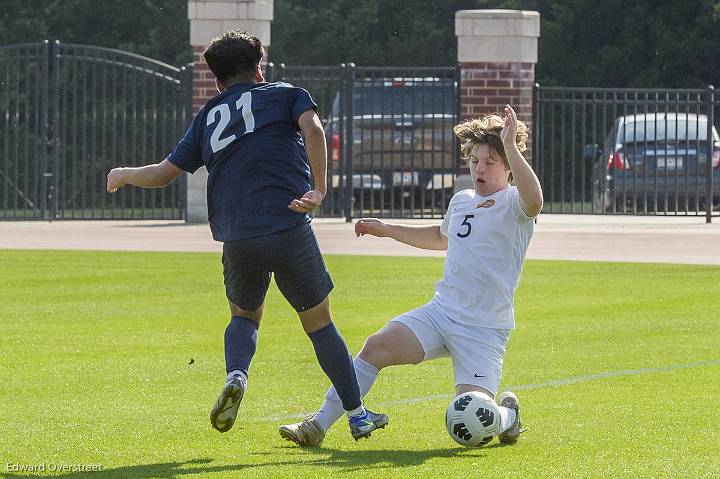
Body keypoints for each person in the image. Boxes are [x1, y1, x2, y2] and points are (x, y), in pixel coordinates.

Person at [106, 30, 387, 441]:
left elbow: (164, 174)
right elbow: (314, 129)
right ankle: (358, 414)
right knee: (320, 324)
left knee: (244, 316)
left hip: (237, 235)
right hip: (288, 225)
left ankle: (237, 374)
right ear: (259, 68)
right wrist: (320, 189)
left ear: (218, 82)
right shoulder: (285, 93)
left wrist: (125, 174)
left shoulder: (207, 117)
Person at [279, 105, 542, 447]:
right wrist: (387, 229)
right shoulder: (462, 200)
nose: (479, 168)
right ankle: (317, 425)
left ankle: (508, 416)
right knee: (375, 347)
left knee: (473, 419)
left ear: (507, 167)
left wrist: (509, 146)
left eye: (490, 162)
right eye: (475, 160)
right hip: (441, 313)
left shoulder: (514, 204)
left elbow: (535, 200)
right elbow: (439, 237)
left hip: (484, 328)